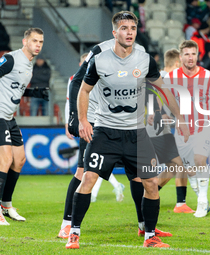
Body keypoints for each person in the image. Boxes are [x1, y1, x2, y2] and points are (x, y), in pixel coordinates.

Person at [65, 11, 189, 249]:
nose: (129, 32)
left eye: (132, 28)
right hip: (105, 132)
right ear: (115, 33)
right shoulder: (100, 60)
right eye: (124, 28)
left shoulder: (144, 59)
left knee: (151, 183)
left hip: (136, 134)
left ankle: (149, 236)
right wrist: (82, 120)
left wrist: (180, 117)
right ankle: (74, 232)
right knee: (88, 178)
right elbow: (83, 90)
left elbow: (163, 89)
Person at [0, 28, 49, 225]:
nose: (38, 45)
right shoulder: (10, 59)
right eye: (35, 41)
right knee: (6, 159)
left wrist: (33, 94)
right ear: (25, 41)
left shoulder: (29, 64)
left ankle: (6, 206)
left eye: (41, 42)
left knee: (19, 160)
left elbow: (12, 89)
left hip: (9, 117)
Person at [61, 53, 125, 241]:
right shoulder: (76, 79)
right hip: (89, 126)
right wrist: (71, 122)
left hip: (109, 127)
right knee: (83, 172)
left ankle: (144, 225)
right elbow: (70, 101)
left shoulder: (105, 74)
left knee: (134, 171)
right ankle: (66, 224)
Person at [164, 40, 210, 218]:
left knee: (200, 160)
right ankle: (201, 196)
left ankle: (202, 201)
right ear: (181, 57)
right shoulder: (171, 78)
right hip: (182, 130)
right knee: (190, 169)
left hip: (204, 126)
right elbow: (162, 98)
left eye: (193, 54)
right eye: (187, 54)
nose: (190, 57)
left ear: (197, 56)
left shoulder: (209, 77)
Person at [146, 48, 195, 214]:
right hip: (155, 128)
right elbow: (155, 96)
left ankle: (152, 195)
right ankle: (176, 202)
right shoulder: (165, 78)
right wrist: (159, 112)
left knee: (174, 165)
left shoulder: (163, 77)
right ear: (176, 64)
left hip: (160, 128)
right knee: (178, 164)